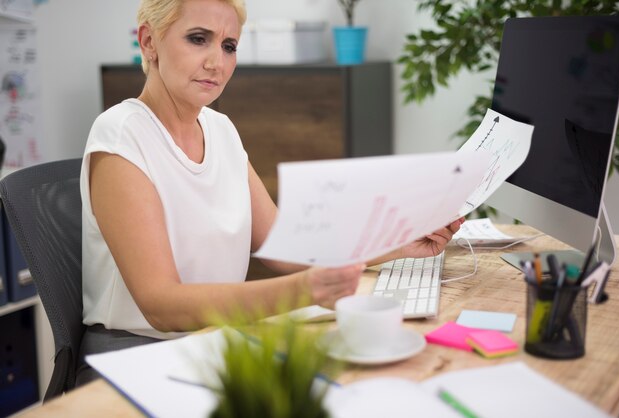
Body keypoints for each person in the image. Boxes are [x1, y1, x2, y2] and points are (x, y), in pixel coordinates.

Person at [77, 0, 463, 385]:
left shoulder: (221, 129)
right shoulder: (121, 136)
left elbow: (286, 247)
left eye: (229, 46)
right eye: (199, 39)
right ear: (149, 42)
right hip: (137, 357)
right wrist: (303, 290)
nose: (217, 61)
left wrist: (401, 241)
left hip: (213, 340)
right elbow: (160, 305)